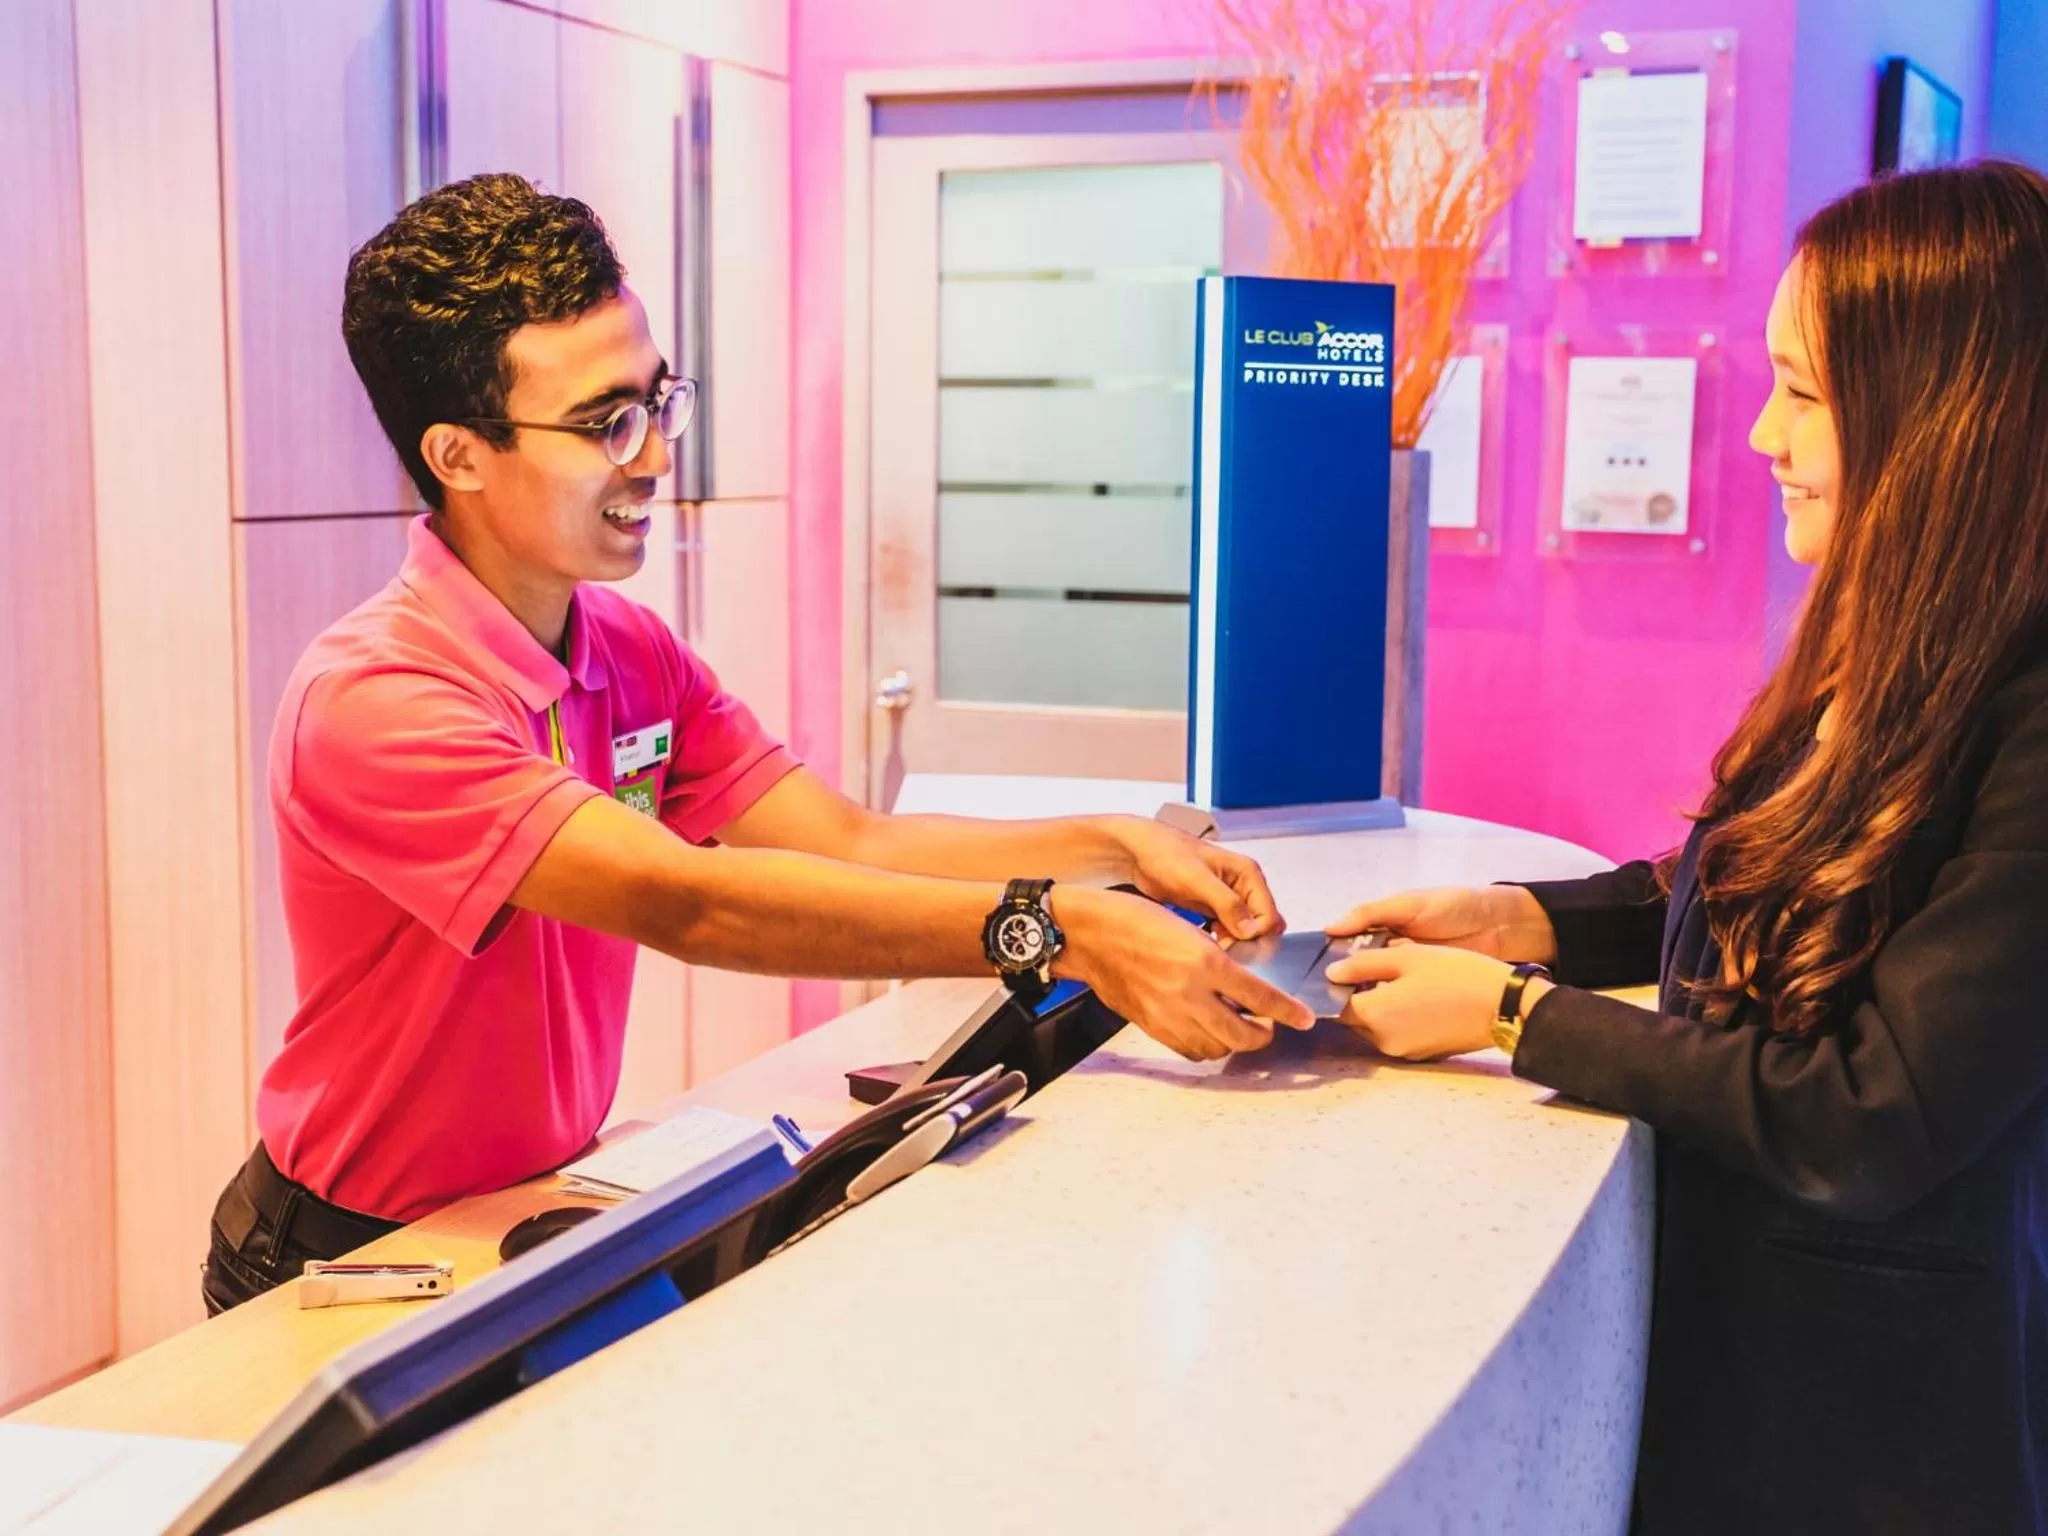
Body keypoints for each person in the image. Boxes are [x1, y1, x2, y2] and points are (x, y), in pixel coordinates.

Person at [201, 173, 1312, 1314]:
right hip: (344, 1250)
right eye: (603, 424)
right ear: (459, 454)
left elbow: (845, 837)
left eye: (654, 402)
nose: (652, 459)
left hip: (518, 1207)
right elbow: (688, 903)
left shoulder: (625, 648)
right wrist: (1051, 929)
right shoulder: (381, 696)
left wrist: (1112, 846)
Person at [1325, 161, 2048, 1532]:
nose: (1764, 434)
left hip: (1875, 1441)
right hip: (1738, 1372)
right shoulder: (1882, 642)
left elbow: (1874, 1109)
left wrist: (1515, 1019)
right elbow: (1765, 869)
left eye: (1805, 392)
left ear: (1938, 419)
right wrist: (1523, 923)